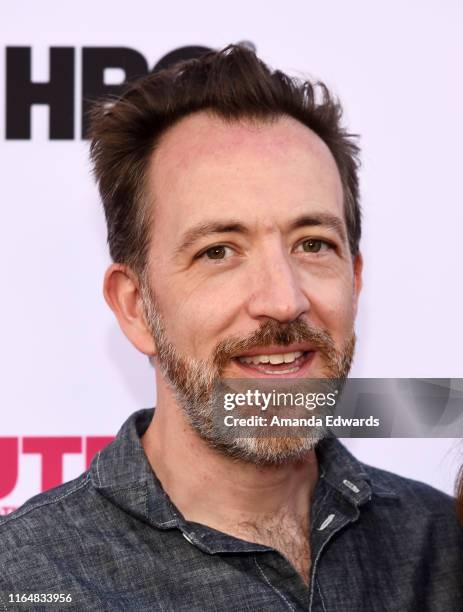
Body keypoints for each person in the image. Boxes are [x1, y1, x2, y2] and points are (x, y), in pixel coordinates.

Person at [0, 44, 462, 611]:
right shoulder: (25, 580)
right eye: (219, 251)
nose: (283, 299)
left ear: (356, 278)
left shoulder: (444, 545)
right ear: (135, 306)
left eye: (313, 244)